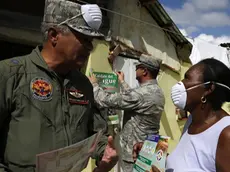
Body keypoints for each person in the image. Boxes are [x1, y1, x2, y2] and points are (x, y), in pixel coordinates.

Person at [0, 0, 118, 171]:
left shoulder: (83, 85)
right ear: (54, 35)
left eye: (91, 41)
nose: (90, 47)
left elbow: (94, 132)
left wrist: (104, 151)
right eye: (84, 39)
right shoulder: (10, 74)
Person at [133, 58, 230, 172]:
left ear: (208, 88)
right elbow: (184, 163)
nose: (180, 84)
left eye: (187, 78)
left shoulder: (226, 134)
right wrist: (150, 153)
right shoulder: (192, 121)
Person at [88, 55, 165, 172]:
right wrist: (122, 82)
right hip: (150, 147)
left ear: (144, 71)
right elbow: (133, 99)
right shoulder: (157, 91)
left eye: (138, 67)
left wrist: (94, 85)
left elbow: (105, 100)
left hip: (136, 153)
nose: (135, 69)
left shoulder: (141, 94)